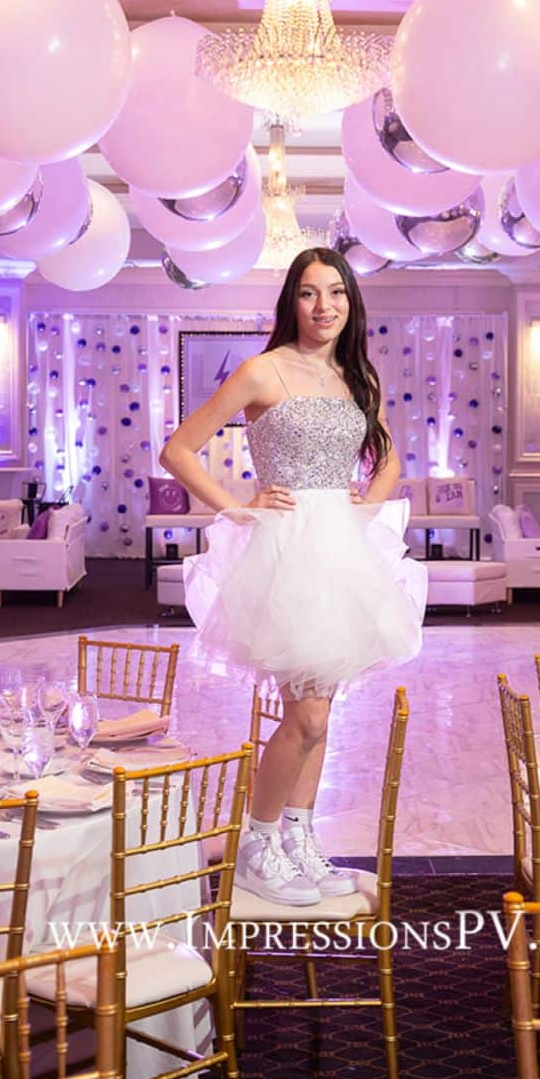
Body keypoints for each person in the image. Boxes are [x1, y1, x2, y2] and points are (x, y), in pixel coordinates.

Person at [159, 247, 427, 906]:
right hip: (286, 553)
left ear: (350, 301)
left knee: (321, 710)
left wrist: (360, 506)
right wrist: (236, 509)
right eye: (309, 293)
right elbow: (178, 449)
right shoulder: (261, 370)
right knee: (304, 716)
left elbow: (389, 462)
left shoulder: (358, 375)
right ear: (292, 301)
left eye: (336, 293)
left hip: (338, 547)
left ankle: (298, 843)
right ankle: (256, 845)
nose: (324, 306)